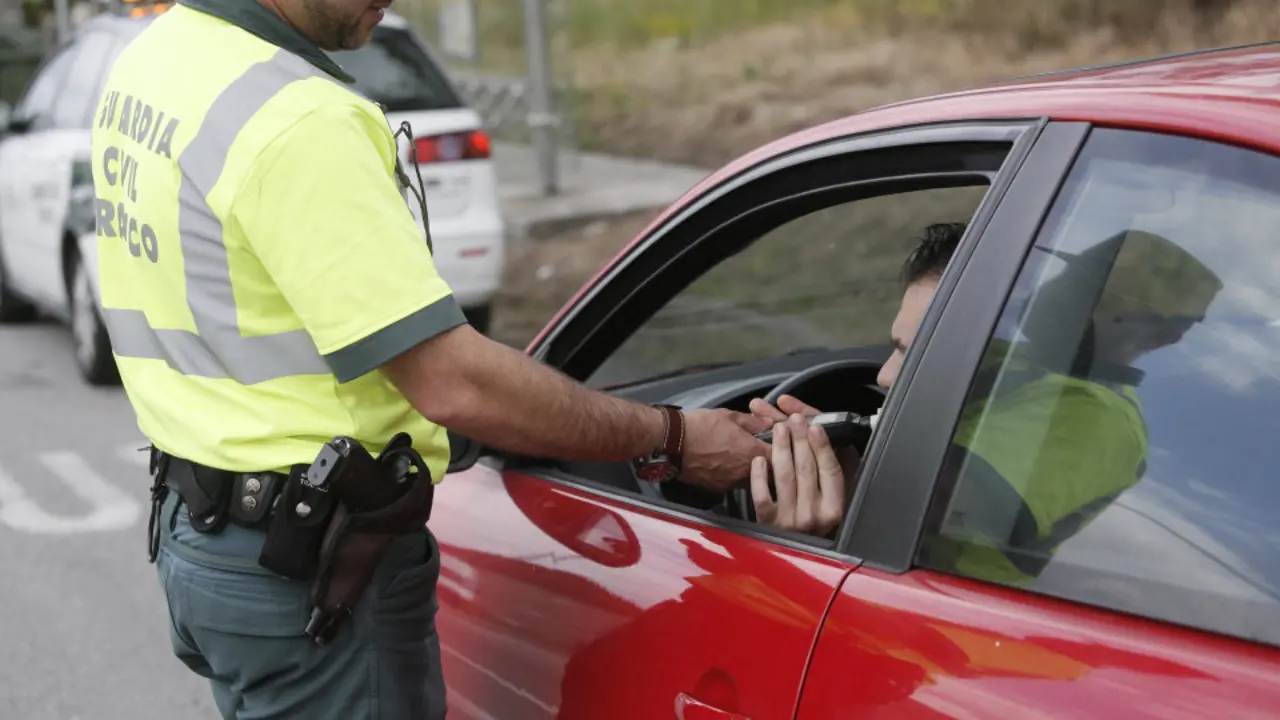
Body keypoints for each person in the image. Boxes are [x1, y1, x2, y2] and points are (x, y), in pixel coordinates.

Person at [89, 0, 768, 717]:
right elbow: (453, 382)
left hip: (203, 540)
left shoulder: (156, 57)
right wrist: (673, 436)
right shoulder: (297, 120)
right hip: (305, 573)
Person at [748, 222, 1221, 587]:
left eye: (1081, 282)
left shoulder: (1102, 419)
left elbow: (933, 494)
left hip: (944, 631)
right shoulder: (1015, 367)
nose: (885, 377)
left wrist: (805, 445)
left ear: (1158, 328)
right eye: (1066, 269)